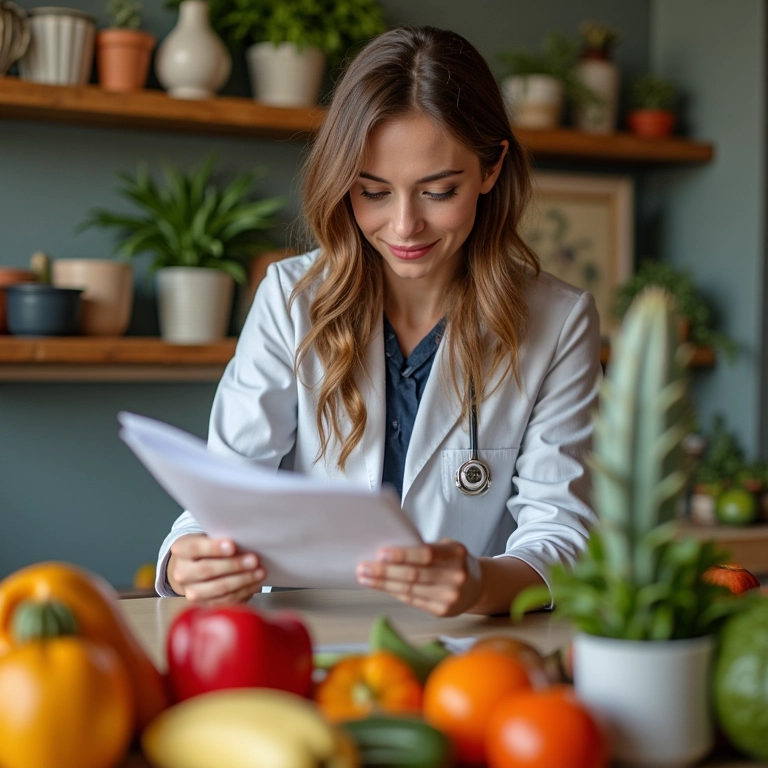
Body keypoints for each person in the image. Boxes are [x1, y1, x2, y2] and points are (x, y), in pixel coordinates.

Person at [156, 25, 601, 617]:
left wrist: (477, 585)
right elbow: (224, 497)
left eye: (438, 191)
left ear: (491, 169)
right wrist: (189, 555)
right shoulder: (290, 299)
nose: (404, 226)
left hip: (471, 646)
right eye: (373, 192)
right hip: (303, 633)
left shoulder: (560, 320)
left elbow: (562, 534)